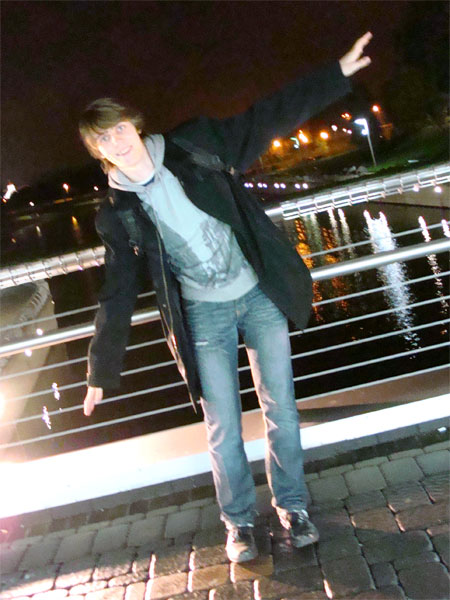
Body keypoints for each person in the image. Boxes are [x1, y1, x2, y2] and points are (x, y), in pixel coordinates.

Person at [80, 32, 372, 562]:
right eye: (105, 138)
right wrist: (101, 368)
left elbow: (265, 118)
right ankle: (238, 523)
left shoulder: (195, 146)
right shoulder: (117, 213)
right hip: (204, 316)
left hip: (257, 295)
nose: (118, 141)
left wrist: (337, 74)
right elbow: (118, 289)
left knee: (282, 409)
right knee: (223, 428)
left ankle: (293, 508)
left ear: (135, 125)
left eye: (120, 127)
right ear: (97, 150)